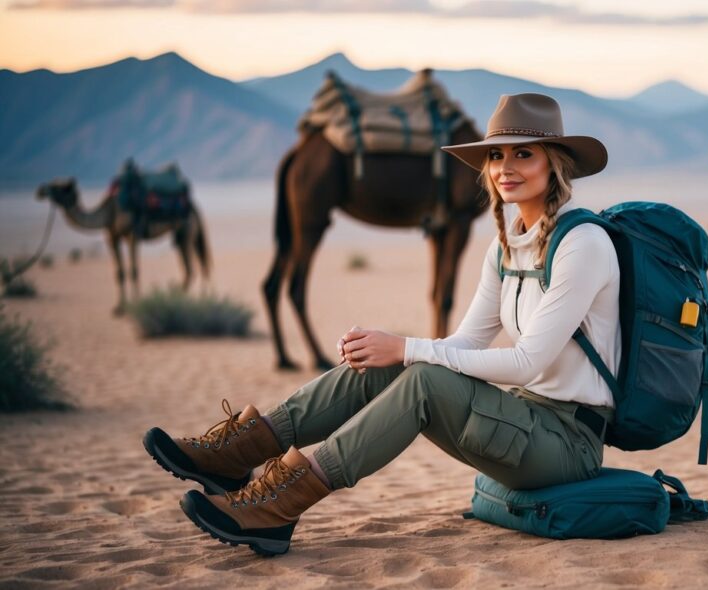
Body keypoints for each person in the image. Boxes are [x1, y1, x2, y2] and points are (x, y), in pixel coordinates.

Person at [142, 93, 621, 555]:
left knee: (424, 378)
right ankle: (240, 453)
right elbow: (467, 342)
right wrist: (386, 352)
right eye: (495, 155)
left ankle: (280, 504)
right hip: (521, 422)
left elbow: (525, 362)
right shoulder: (505, 245)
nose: (505, 168)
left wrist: (408, 348)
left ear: (555, 162)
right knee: (388, 367)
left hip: (566, 444)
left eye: (523, 154)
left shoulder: (583, 243)